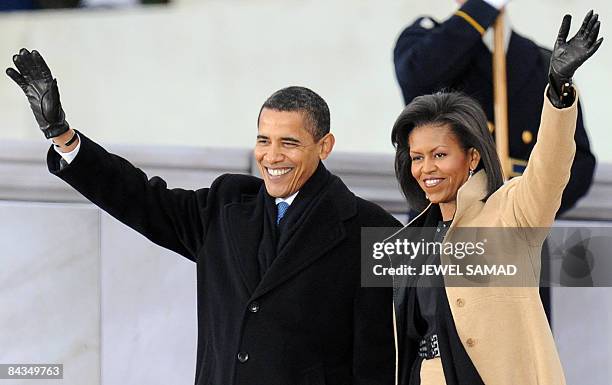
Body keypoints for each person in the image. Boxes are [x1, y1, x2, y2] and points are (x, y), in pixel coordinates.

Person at [6, 53, 399, 384]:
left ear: (324, 146)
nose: (272, 156)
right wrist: (63, 136)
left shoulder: (375, 230)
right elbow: (139, 198)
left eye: (289, 143)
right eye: (264, 140)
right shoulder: (227, 204)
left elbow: (385, 356)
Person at [388, 11, 602, 385]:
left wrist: (558, 92)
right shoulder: (405, 241)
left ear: (472, 157)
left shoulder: (511, 214)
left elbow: (549, 168)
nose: (426, 168)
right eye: (417, 158)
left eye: (439, 155)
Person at [393, 0, 596, 216]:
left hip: (517, 228)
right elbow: (417, 74)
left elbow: (579, 163)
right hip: (443, 223)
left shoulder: (543, 63)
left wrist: (526, 205)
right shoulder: (426, 44)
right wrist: (483, 6)